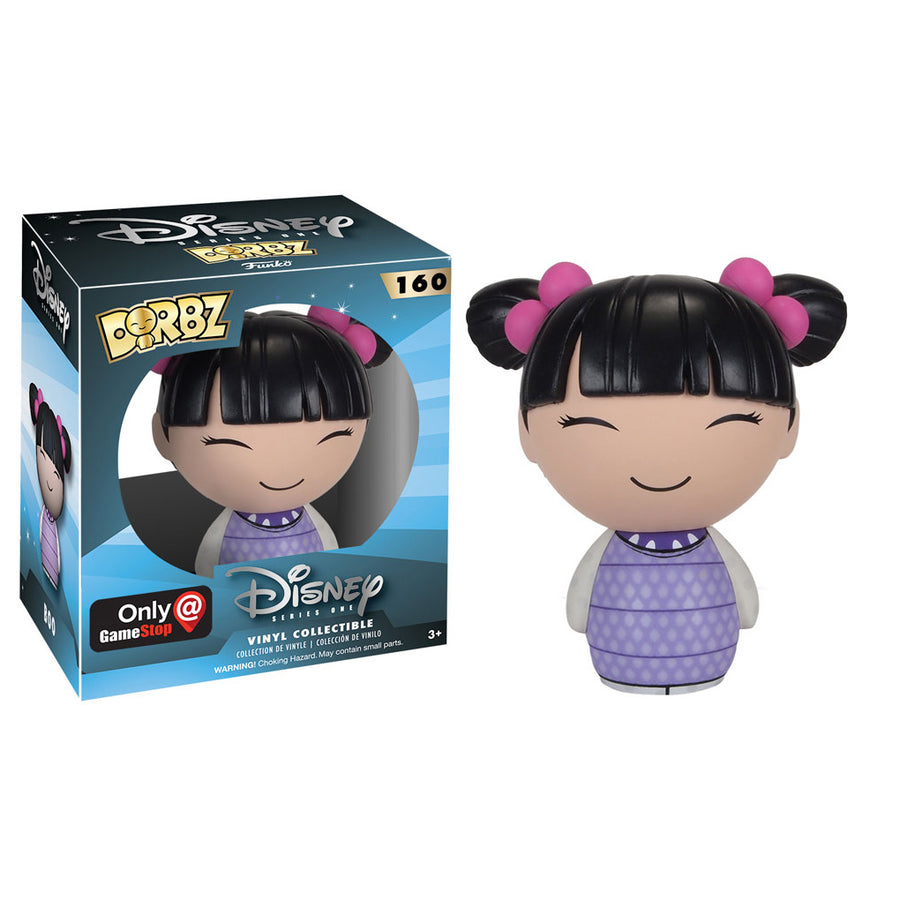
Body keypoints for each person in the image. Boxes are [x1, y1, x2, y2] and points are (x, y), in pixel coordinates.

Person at [467, 258, 846, 694]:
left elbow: (577, 615)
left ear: (790, 426)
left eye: (726, 423)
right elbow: (747, 609)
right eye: (591, 426)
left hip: (709, 658)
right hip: (617, 660)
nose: (659, 461)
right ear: (527, 431)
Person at [153, 308, 375, 577]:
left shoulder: (314, 522)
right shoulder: (223, 534)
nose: (284, 467)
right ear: (162, 437)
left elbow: (330, 553)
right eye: (229, 443)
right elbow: (206, 568)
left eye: (331, 439)